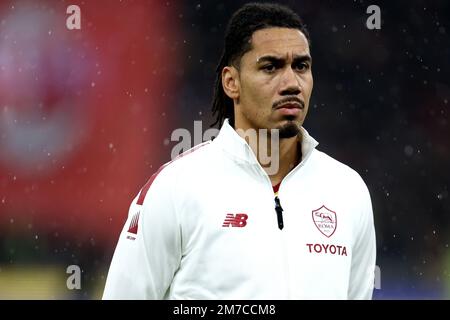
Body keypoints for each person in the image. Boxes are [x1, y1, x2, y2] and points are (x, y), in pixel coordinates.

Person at [103, 2, 376, 300]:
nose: (291, 83)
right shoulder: (176, 188)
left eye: (301, 66)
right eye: (270, 67)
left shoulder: (348, 191)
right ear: (231, 82)